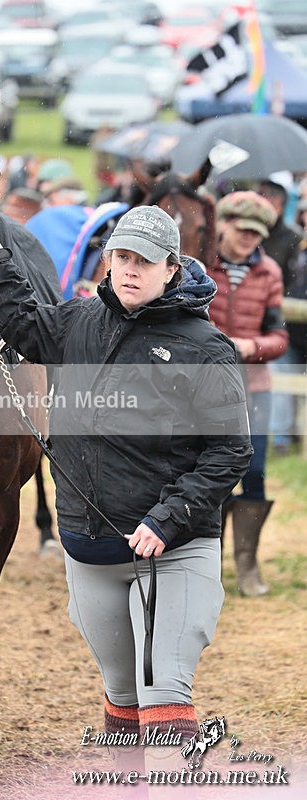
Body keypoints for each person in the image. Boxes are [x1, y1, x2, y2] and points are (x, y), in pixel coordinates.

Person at [0, 205, 252, 788]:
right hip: (90, 549)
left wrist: (168, 518)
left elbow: (230, 453)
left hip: (172, 551)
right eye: (121, 257)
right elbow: (21, 323)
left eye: (144, 261)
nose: (130, 270)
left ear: (171, 268)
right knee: (123, 691)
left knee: (163, 689)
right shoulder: (77, 321)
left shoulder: (207, 349)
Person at [207, 191, 288, 596]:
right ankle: (210, 562)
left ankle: (248, 564)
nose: (248, 238)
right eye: (242, 230)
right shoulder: (202, 265)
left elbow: (279, 337)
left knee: (254, 471)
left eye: (256, 233)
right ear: (224, 224)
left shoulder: (269, 271)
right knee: (211, 472)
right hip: (207, 387)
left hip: (254, 385)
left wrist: (250, 346)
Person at [258, 176, 306, 456]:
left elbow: (290, 280)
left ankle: (288, 436)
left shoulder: (293, 239)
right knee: (280, 377)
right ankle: (281, 438)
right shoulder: (260, 236)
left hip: (287, 317)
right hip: (279, 321)